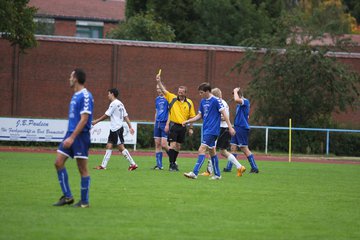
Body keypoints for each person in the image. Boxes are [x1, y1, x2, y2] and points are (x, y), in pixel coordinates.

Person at [53, 68, 94, 208]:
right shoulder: (75, 95)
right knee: (58, 162)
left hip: (80, 136)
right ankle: (68, 196)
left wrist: (72, 138)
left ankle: (84, 202)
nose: (69, 79)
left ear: (76, 78)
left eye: (70, 76)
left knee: (82, 169)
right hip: (70, 134)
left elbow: (84, 119)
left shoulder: (85, 95)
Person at [183, 83, 236, 180]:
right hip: (206, 129)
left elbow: (224, 114)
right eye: (199, 93)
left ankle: (194, 173)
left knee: (201, 149)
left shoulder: (216, 101)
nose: (200, 95)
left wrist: (230, 127)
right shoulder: (203, 101)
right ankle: (217, 174)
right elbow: (200, 116)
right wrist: (188, 121)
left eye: (201, 92)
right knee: (212, 152)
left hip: (213, 130)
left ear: (207, 91)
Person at [201, 88, 246, 177]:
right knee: (222, 151)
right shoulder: (223, 102)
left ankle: (209, 171)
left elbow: (223, 117)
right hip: (224, 129)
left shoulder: (218, 103)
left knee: (211, 149)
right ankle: (239, 166)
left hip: (221, 129)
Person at [156, 74, 196, 171]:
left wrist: (191, 128)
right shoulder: (172, 98)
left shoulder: (190, 103)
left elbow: (192, 117)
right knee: (173, 145)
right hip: (173, 125)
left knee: (178, 146)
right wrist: (159, 81)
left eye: (181, 92)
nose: (179, 93)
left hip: (183, 127)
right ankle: (171, 164)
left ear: (185, 93)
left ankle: (173, 162)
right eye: (179, 92)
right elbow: (164, 90)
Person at [92, 88, 138, 171]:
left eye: (108, 93)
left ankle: (133, 164)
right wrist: (130, 126)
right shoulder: (120, 103)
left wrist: (96, 121)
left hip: (117, 128)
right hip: (114, 129)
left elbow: (106, 115)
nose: (108, 95)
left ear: (112, 94)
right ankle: (103, 166)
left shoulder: (113, 104)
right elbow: (125, 116)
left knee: (121, 148)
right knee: (109, 145)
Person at [225, 87, 259, 173]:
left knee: (244, 148)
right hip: (237, 127)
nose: (234, 97)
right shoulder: (239, 105)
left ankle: (254, 168)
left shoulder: (245, 101)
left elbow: (236, 99)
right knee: (233, 147)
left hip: (242, 128)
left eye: (235, 94)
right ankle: (229, 168)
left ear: (239, 94)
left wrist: (235, 90)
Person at [153, 84, 169, 170]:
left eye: (159, 88)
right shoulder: (157, 99)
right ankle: (159, 165)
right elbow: (156, 111)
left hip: (164, 123)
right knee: (157, 144)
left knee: (164, 144)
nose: (158, 90)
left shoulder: (168, 98)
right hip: (158, 123)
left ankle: (173, 160)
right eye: (157, 89)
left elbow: (170, 112)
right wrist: (155, 122)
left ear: (164, 88)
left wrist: (167, 124)